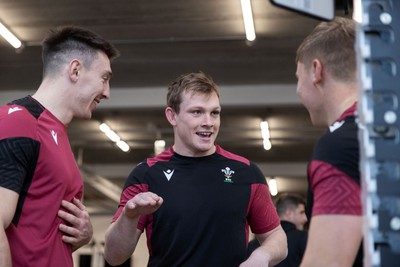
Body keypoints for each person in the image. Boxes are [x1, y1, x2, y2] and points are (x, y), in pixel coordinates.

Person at [104, 71, 287, 266]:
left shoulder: (246, 173)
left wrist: (262, 255)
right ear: (172, 116)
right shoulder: (146, 175)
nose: (208, 122)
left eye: (214, 113)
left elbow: (276, 237)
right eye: (197, 112)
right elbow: (114, 256)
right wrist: (129, 216)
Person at [0, 26, 119, 266]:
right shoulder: (18, 122)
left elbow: (38, 231)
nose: (107, 92)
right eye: (104, 78)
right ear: (75, 70)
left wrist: (82, 236)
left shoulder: (56, 133)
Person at [295, 17, 363, 266]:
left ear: (316, 70)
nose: (298, 90)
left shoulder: (340, 144)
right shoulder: (382, 130)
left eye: (297, 77)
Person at [247, 193, 308, 267]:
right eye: (301, 212)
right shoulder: (304, 238)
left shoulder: (251, 245)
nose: (305, 218)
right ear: (288, 213)